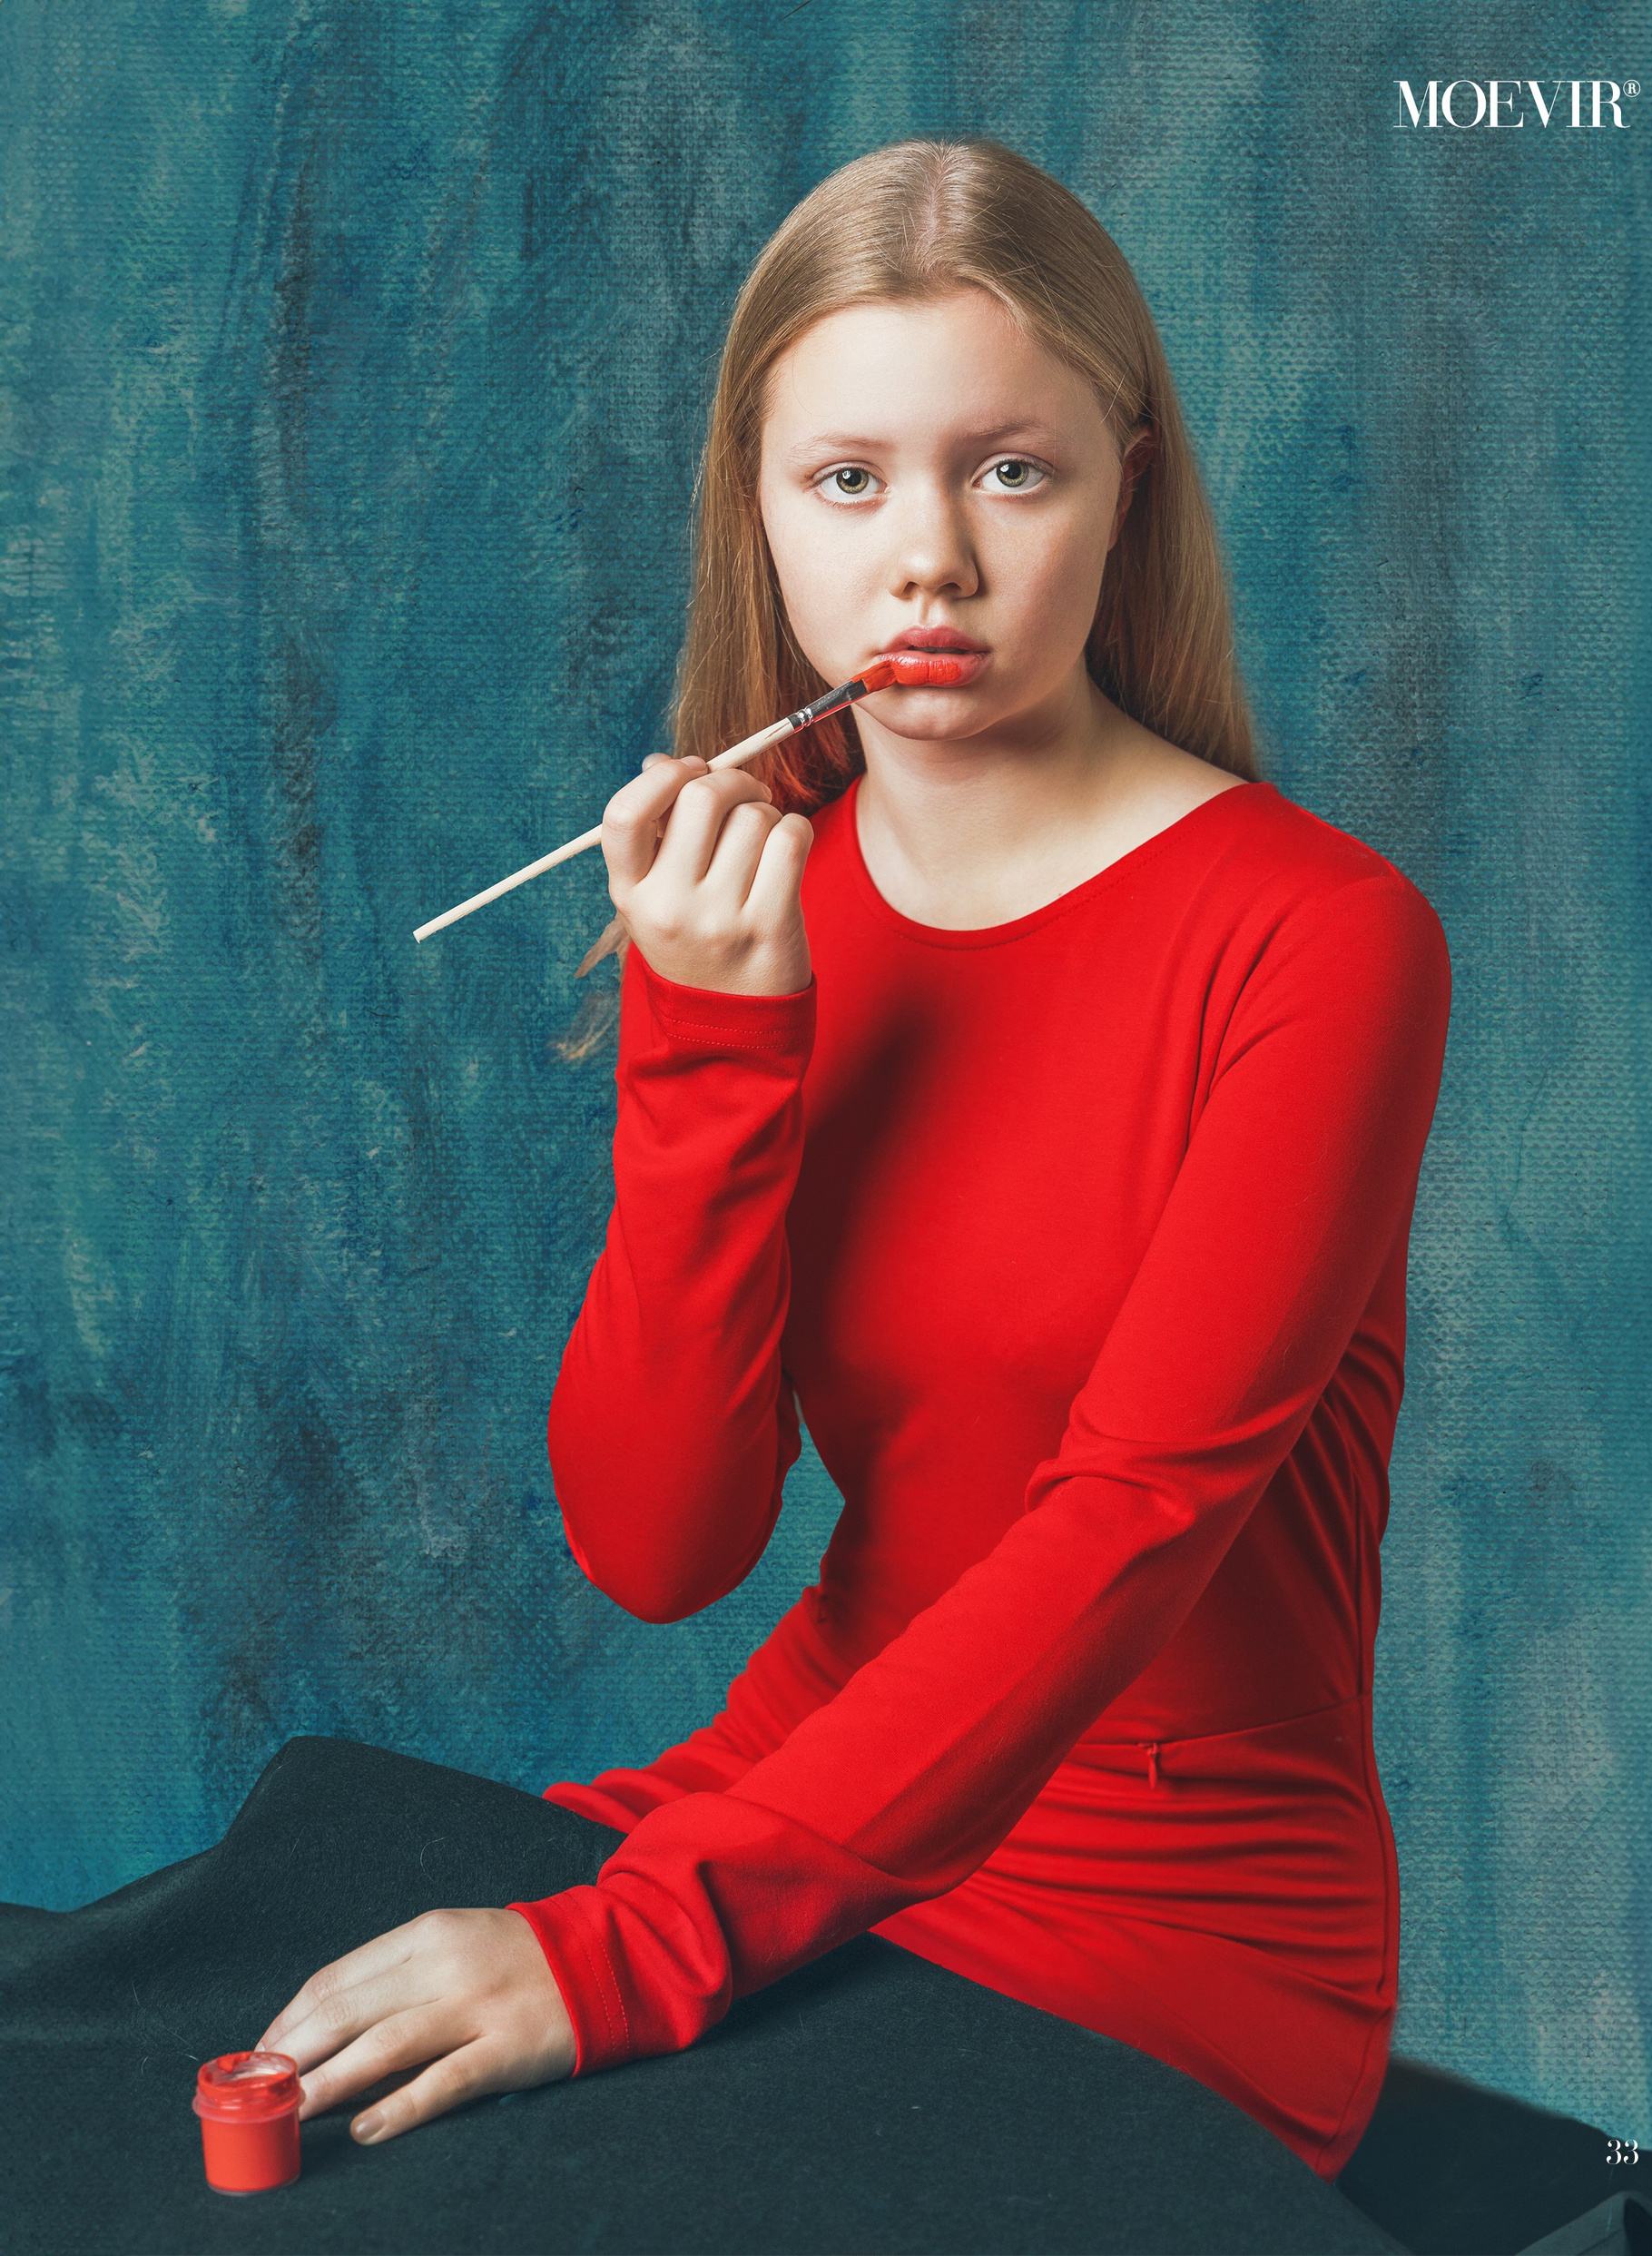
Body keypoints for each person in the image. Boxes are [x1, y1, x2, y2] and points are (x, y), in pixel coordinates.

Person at [255, 137, 1452, 2186]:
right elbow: (662, 1547)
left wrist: (630, 1947)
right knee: (243, 2030)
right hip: (793, 1794)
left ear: (1127, 487)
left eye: (1011, 471)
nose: (929, 564)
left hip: (1168, 1908)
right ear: (759, 508)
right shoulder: (763, 897)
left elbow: (1130, 1523)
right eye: (847, 480)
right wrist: (706, 1040)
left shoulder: (1323, 940)